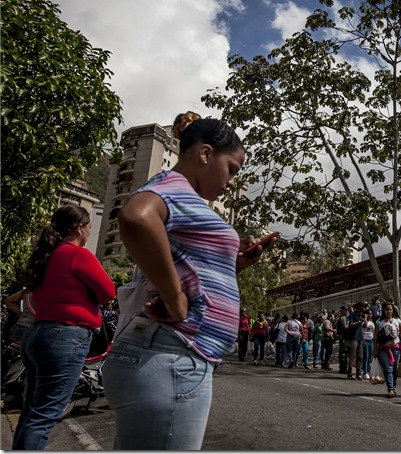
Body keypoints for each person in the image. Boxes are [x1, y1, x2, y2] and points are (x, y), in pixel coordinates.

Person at [102, 113, 276, 450]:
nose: (231, 182)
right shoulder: (172, 187)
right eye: (232, 170)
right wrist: (175, 299)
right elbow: (136, 217)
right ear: (206, 154)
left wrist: (237, 262)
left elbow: (196, 275)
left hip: (172, 355)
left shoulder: (185, 198)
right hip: (171, 355)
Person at [11, 204, 116, 450]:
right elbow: (108, 292)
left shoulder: (47, 256)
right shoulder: (78, 254)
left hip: (37, 334)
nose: (89, 232)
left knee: (31, 412)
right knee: (44, 415)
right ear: (80, 228)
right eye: (89, 227)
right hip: (66, 337)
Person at [374, 302, 401, 398]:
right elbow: (376, 336)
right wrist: (374, 349)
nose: (388, 311)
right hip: (383, 348)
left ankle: (393, 387)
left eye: (390, 309)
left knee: (394, 368)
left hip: (396, 348)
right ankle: (390, 389)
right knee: (388, 368)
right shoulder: (379, 322)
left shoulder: (397, 321)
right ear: (383, 311)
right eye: (387, 309)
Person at [346, 303, 365, 380]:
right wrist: (358, 322)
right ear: (359, 307)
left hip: (360, 337)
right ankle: (350, 373)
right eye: (363, 307)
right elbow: (350, 325)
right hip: (353, 337)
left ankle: (358, 373)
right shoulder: (352, 315)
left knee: (360, 356)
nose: (364, 308)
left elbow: (364, 326)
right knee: (352, 355)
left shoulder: (361, 315)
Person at [362, 310, 375, 379]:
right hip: (365, 340)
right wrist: (365, 318)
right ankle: (365, 372)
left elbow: (373, 332)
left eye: (371, 314)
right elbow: (366, 325)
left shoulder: (372, 323)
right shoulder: (364, 322)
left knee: (370, 356)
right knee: (366, 356)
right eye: (369, 314)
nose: (370, 315)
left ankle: (368, 370)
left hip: (371, 340)